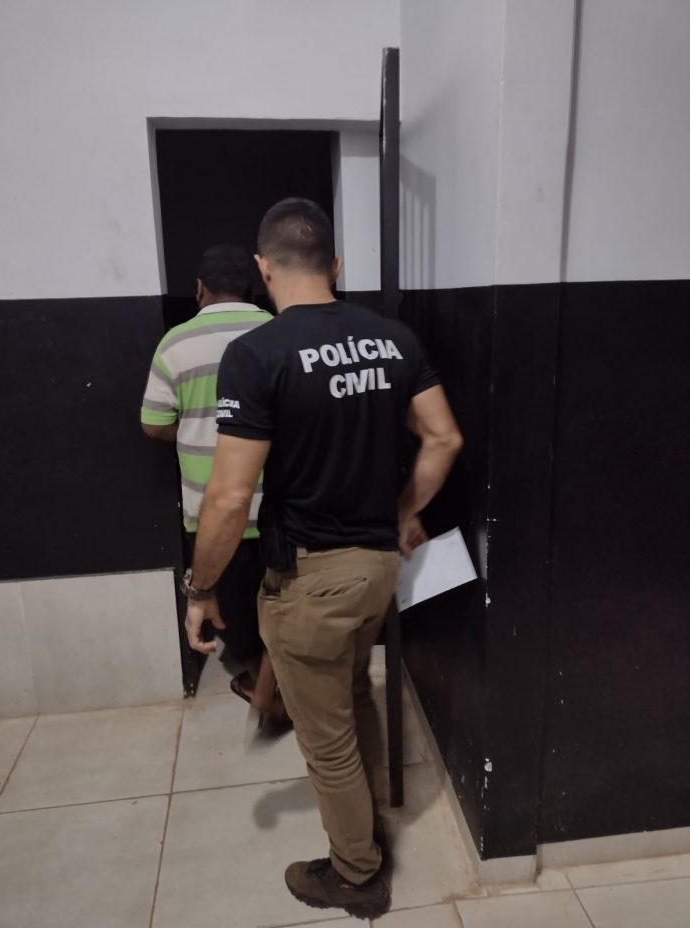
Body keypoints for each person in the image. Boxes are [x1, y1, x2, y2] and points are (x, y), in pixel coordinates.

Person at [181, 199, 463, 919]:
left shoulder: (258, 354)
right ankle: (370, 817)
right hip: (377, 569)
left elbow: (229, 497)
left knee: (326, 738)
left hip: (310, 579)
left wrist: (202, 587)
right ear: (335, 265)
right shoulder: (393, 339)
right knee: (356, 692)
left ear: (264, 267)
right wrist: (403, 511)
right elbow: (444, 438)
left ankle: (356, 875)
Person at [140, 243, 273, 703]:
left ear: (200, 289)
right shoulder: (280, 332)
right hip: (279, 505)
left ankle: (258, 680)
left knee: (233, 606)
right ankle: (284, 682)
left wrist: (196, 429)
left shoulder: (176, 342)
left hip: (211, 508)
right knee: (283, 602)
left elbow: (153, 423)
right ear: (255, 287)